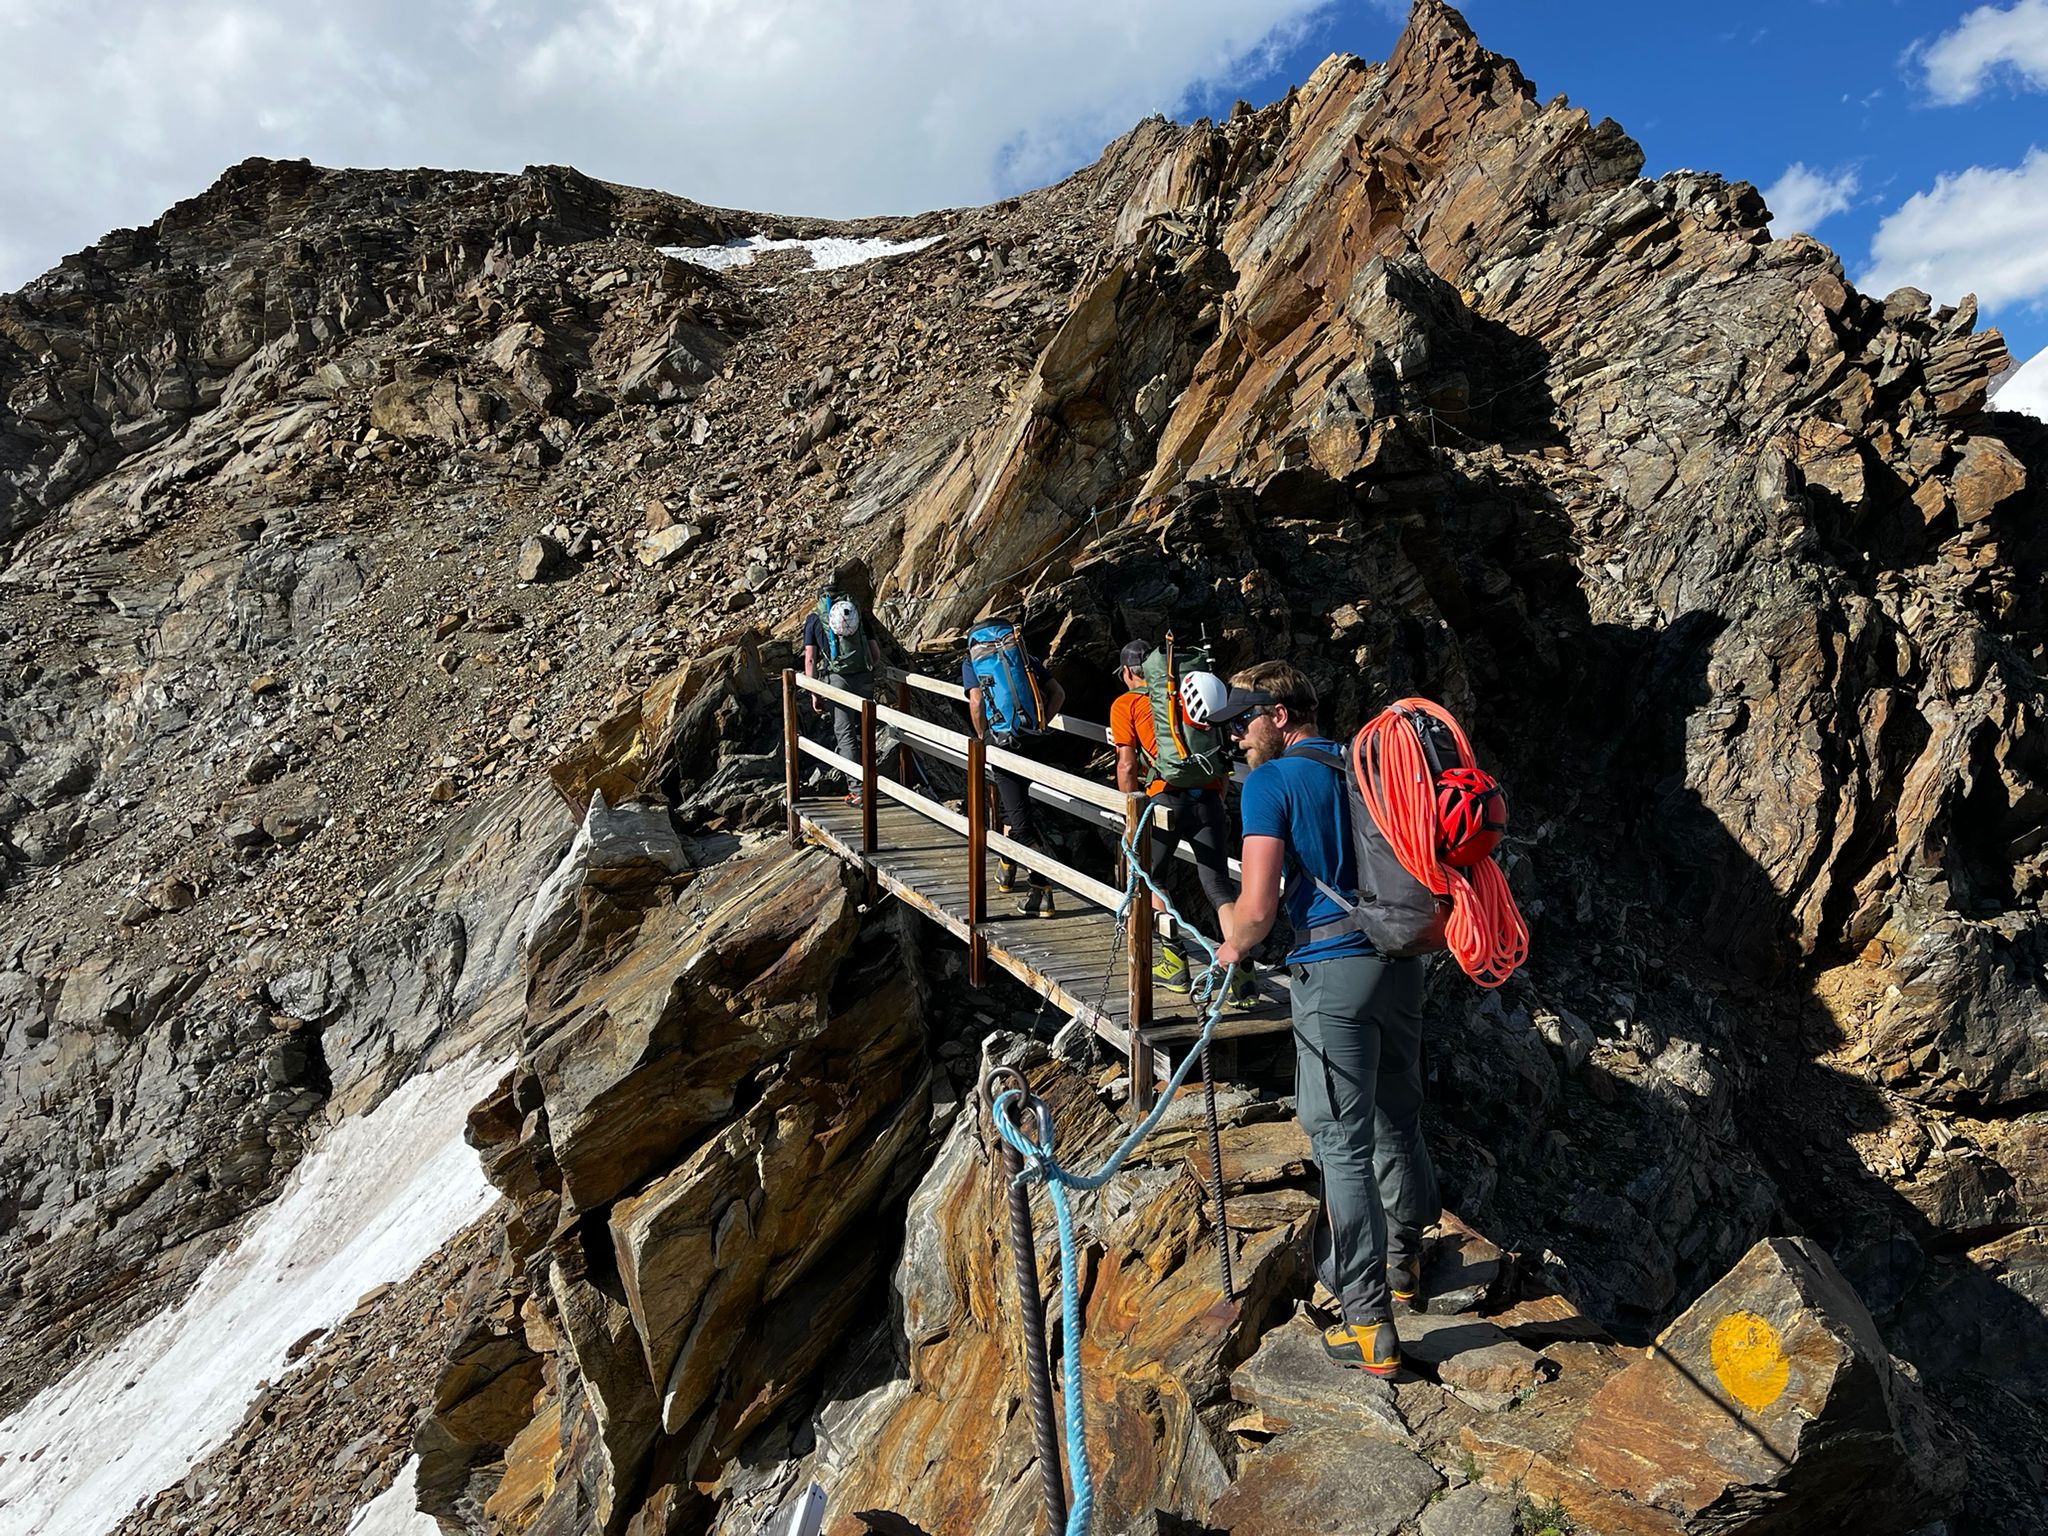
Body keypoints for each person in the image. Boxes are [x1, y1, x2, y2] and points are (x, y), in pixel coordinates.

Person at [1210, 660, 1438, 1378]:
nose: (1236, 740)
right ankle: (1406, 1260)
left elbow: (1256, 909)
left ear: (1279, 715)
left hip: (1331, 971)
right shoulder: (1368, 767)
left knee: (1339, 1141)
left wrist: (1230, 945)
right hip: (1402, 964)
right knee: (1397, 1113)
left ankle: (1369, 1320)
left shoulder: (1271, 783)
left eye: (1242, 721)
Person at [1108, 644, 1255, 1007]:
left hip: (1163, 801)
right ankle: (1243, 970)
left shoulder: (1125, 704)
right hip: (1207, 799)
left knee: (1146, 876)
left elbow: (1127, 766)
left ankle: (1174, 961)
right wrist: (1214, 798)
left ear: (1128, 673)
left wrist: (1131, 808)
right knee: (1218, 886)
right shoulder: (1189, 698)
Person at [963, 625, 1066, 917]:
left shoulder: (973, 660)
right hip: (1033, 740)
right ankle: (1007, 869)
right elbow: (1057, 693)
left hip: (1004, 745)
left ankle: (1042, 889)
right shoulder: (1021, 656)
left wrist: (983, 738)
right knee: (1013, 807)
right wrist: (1042, 722)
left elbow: (977, 701)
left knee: (1020, 822)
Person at [802, 584, 881, 804]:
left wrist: (814, 692)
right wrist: (866, 672)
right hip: (864, 677)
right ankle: (873, 784)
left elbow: (810, 659)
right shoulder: (856, 612)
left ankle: (858, 791)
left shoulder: (815, 618)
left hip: (837, 681)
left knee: (846, 735)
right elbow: (875, 654)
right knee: (866, 731)